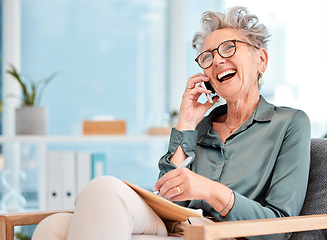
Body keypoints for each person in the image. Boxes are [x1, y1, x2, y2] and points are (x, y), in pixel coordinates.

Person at [32, 6, 310, 240]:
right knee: (53, 226)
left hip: (218, 235)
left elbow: (280, 225)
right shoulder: (202, 127)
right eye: (208, 57)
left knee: (99, 193)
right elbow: (170, 197)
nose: (216, 61)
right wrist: (187, 121)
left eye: (228, 48)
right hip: (177, 226)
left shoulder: (289, 124)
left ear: (261, 59)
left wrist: (210, 190)